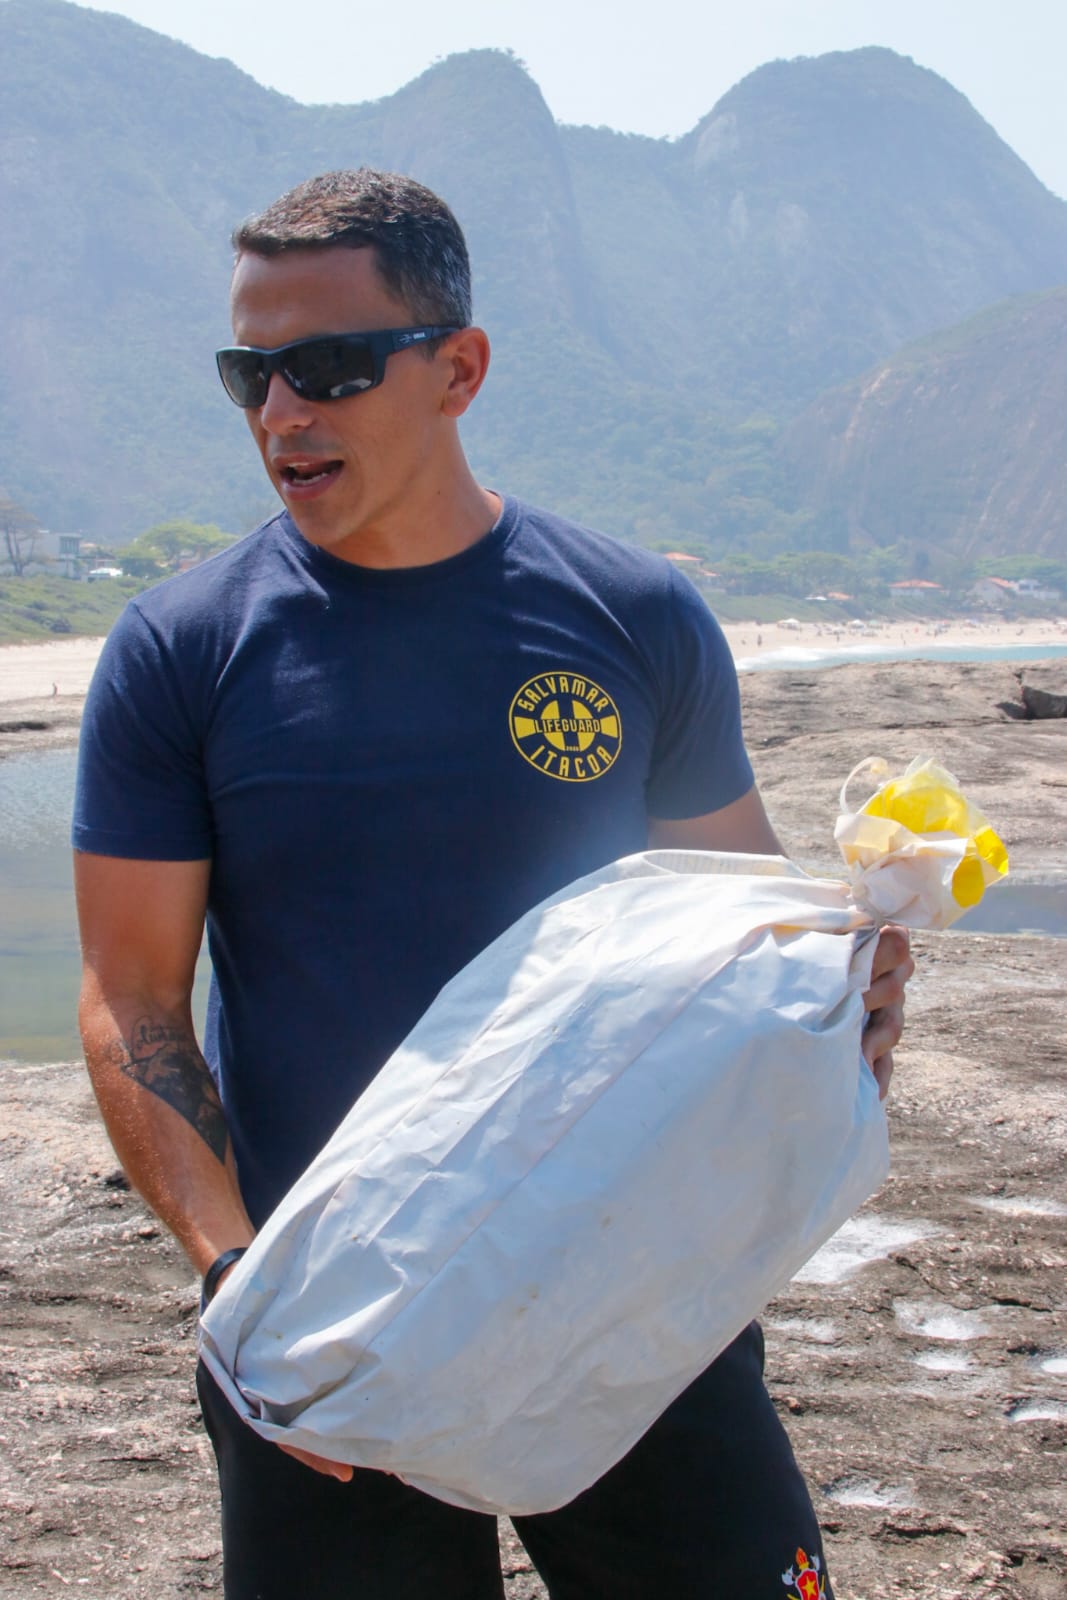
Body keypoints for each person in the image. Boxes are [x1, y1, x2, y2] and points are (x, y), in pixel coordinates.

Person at [73, 168, 911, 1600]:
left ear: (456, 369)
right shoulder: (182, 651)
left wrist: (853, 985)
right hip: (332, 1328)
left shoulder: (631, 614)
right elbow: (135, 999)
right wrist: (236, 1285)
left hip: (637, 1305)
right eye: (249, 375)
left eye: (328, 367)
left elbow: (744, 935)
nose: (283, 414)